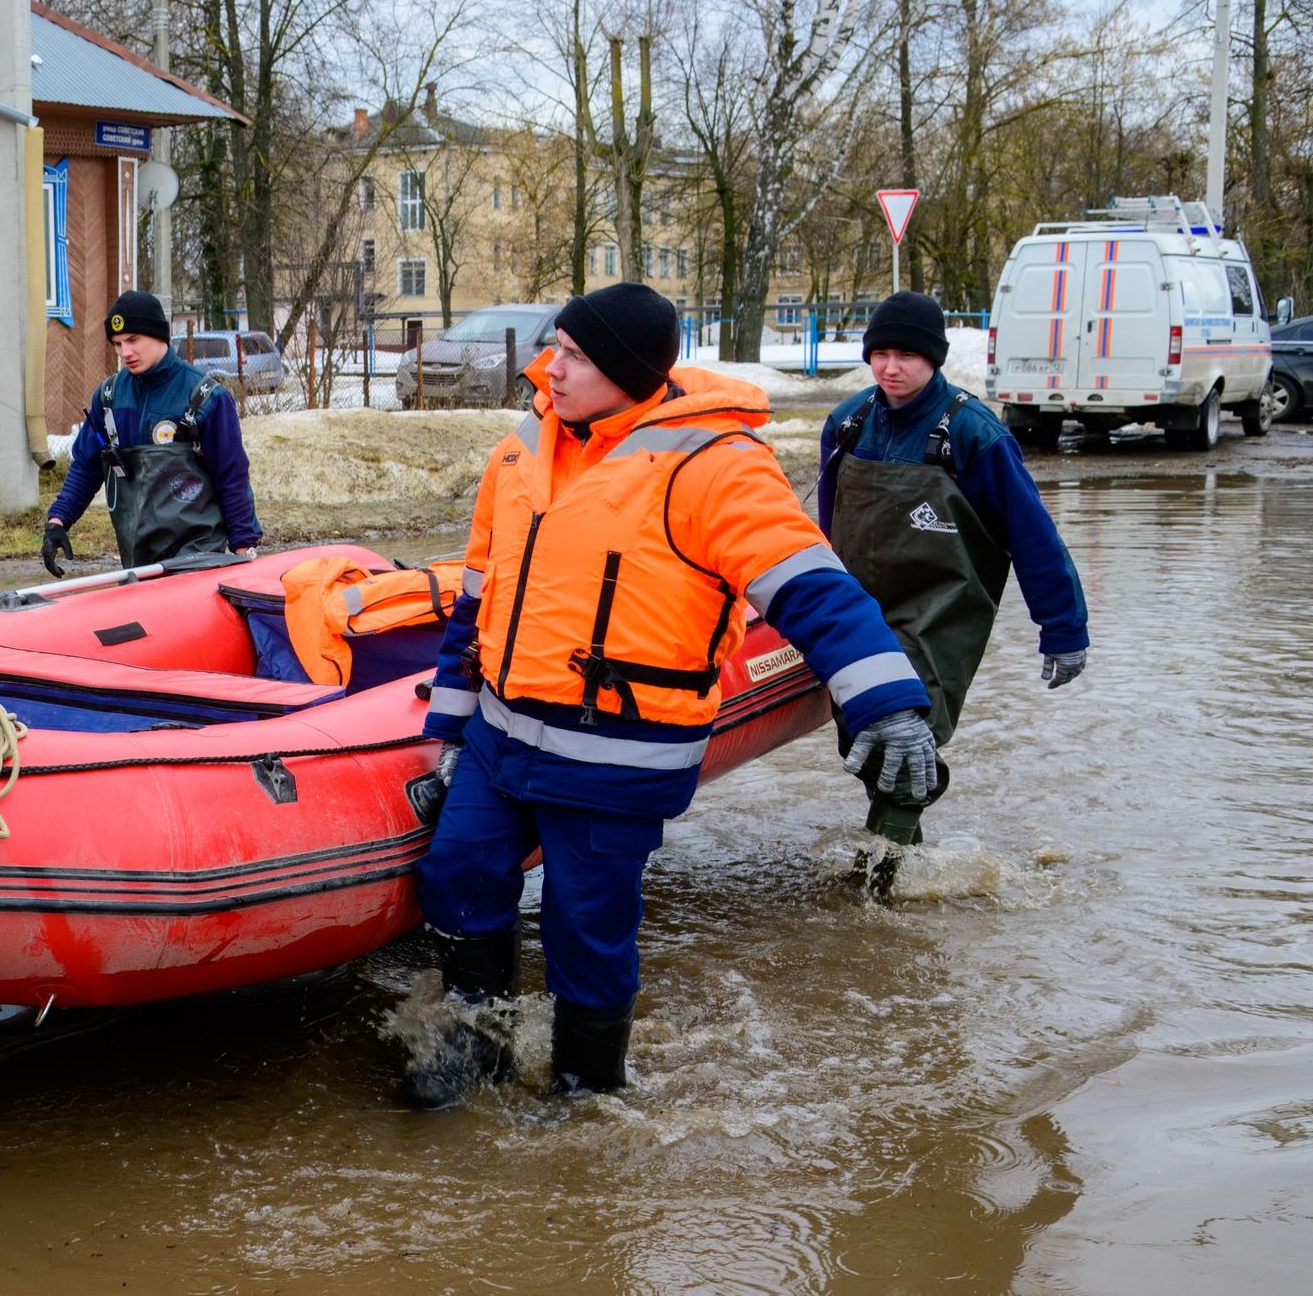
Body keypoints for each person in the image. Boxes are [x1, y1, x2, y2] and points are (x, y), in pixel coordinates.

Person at [403, 282, 939, 1109]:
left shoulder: (713, 464)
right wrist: (450, 727)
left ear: (624, 371)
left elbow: (811, 587)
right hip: (501, 738)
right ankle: (479, 1043)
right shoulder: (521, 450)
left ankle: (587, 1093)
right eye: (557, 347)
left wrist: (885, 700)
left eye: (575, 356)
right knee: (460, 873)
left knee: (586, 928)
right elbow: (479, 599)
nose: (552, 367)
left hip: (615, 752)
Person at [818, 292, 1089, 884]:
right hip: (858, 611)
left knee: (907, 738)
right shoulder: (848, 422)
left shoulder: (973, 432)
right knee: (864, 743)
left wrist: (1063, 628)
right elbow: (822, 522)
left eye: (907, 355)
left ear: (935, 358)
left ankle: (872, 891)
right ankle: (914, 876)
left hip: (941, 613)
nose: (891, 368)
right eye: (881, 354)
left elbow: (1033, 535)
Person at [42, 290, 261, 575]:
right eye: (118, 344)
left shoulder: (206, 398)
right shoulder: (109, 398)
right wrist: (58, 522)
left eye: (134, 340)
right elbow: (87, 465)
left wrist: (244, 548)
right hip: (137, 558)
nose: (125, 353)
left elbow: (231, 477)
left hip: (198, 556)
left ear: (159, 336)